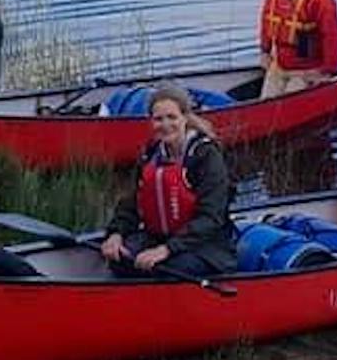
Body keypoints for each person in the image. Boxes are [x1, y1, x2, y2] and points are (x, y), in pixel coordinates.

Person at [100, 84, 239, 279]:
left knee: (167, 270)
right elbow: (131, 204)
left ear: (185, 118)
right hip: (158, 238)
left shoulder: (206, 155)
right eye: (158, 119)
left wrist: (167, 250)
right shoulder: (151, 154)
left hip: (207, 246)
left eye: (172, 117)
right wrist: (115, 234)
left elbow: (211, 217)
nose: (165, 125)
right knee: (119, 259)